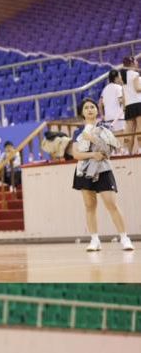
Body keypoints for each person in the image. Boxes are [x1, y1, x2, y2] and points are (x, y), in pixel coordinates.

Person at [70, 99, 132, 253]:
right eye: (86, 108)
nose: (90, 109)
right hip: (84, 171)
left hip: (103, 169)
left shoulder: (104, 128)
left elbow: (109, 150)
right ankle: (94, 240)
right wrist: (92, 154)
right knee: (89, 206)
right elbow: (76, 154)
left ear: (97, 110)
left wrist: (94, 140)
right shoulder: (78, 132)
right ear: (82, 113)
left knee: (111, 204)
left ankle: (124, 238)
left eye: (92, 107)